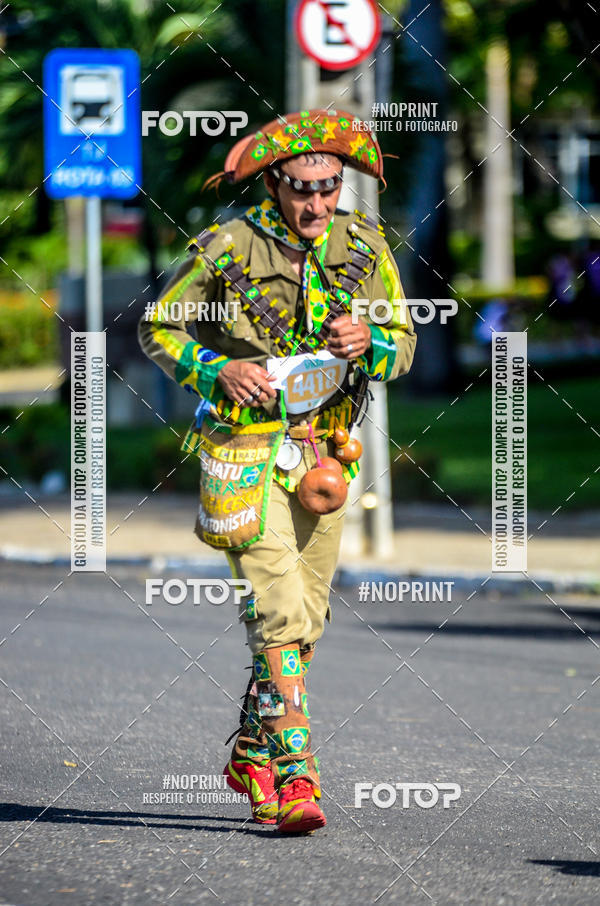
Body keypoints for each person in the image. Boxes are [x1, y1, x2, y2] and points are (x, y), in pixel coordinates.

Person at [138, 109, 417, 834]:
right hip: (243, 452)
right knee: (279, 611)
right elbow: (157, 326)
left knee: (308, 621)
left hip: (325, 455)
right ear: (274, 183)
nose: (318, 204)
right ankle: (297, 775)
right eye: (302, 189)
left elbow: (403, 346)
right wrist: (216, 367)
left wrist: (370, 342)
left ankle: (251, 758)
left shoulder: (364, 245)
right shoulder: (227, 245)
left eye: (329, 188)